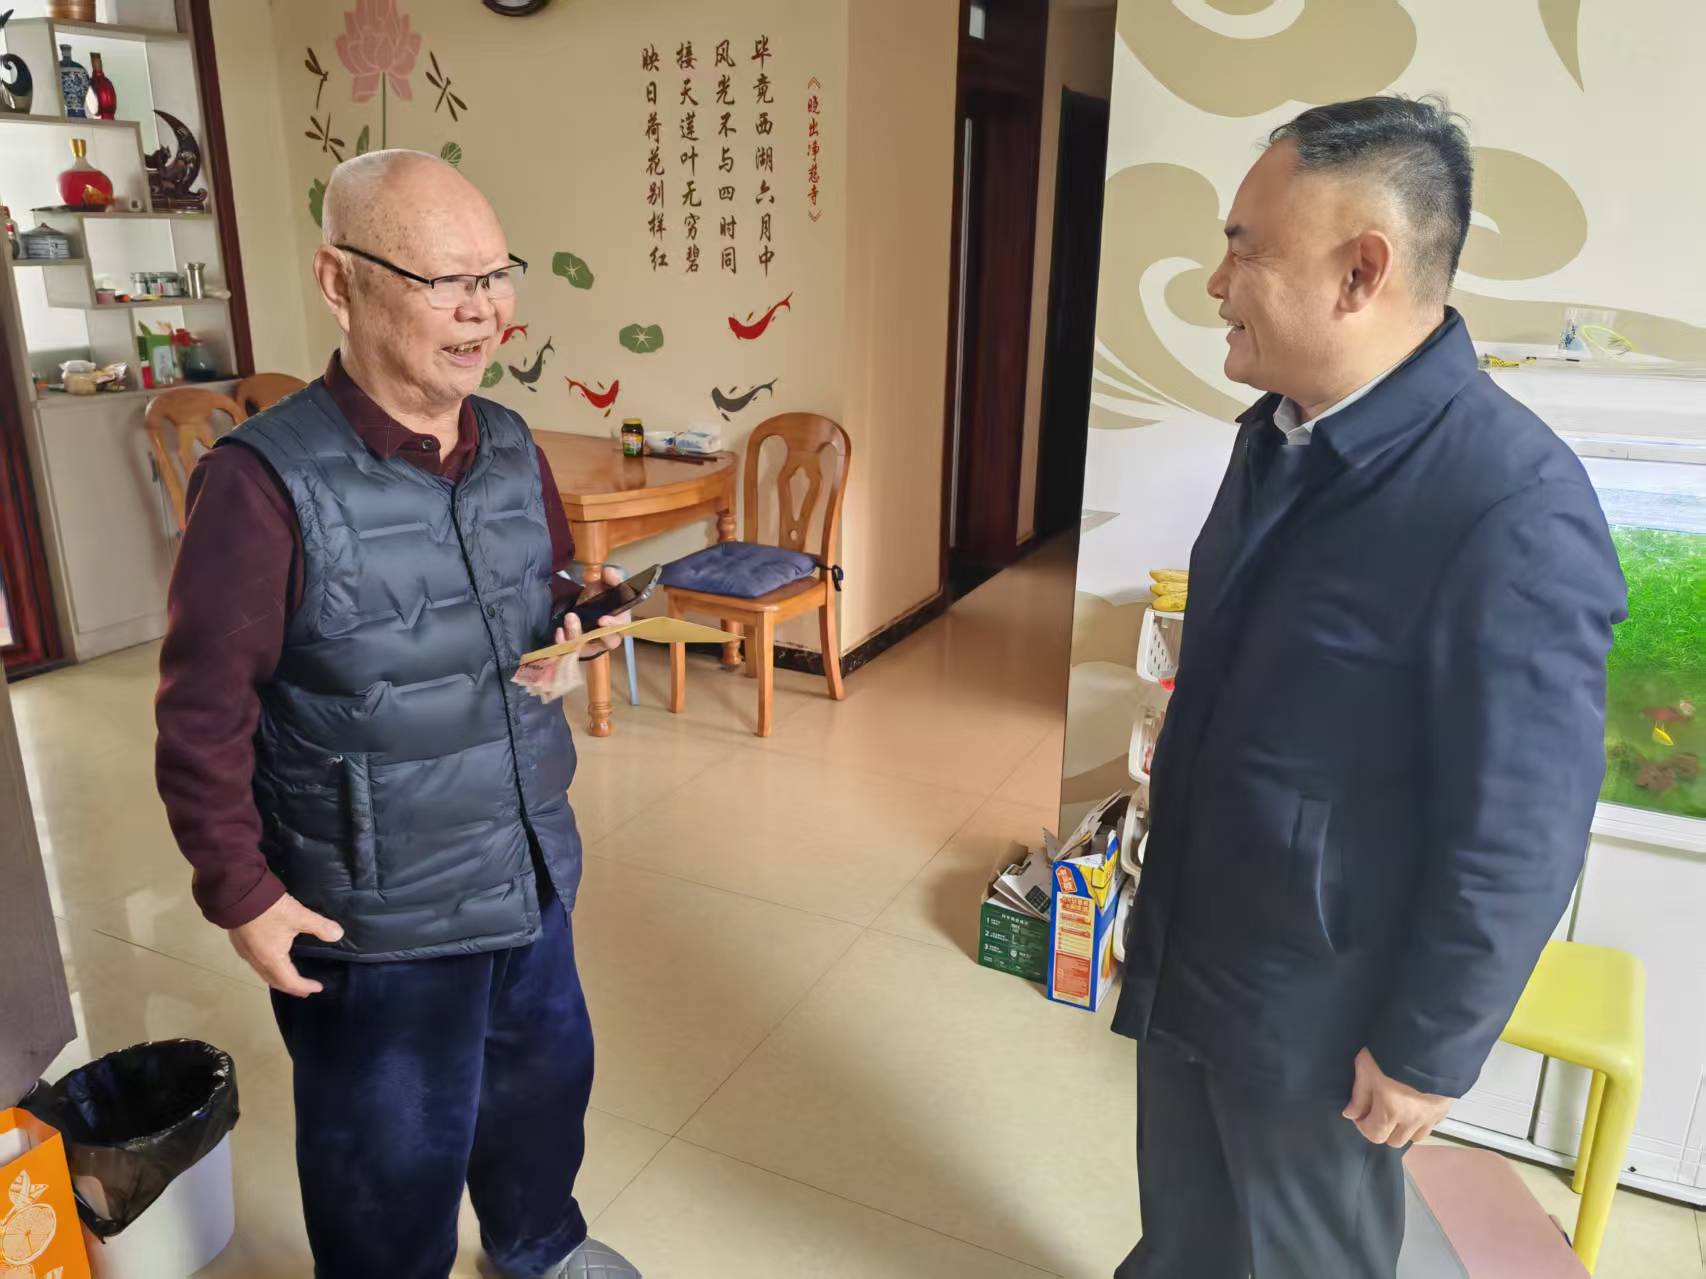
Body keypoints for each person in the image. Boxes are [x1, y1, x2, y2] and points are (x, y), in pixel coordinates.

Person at [1112, 97, 1626, 1278]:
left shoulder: (1508, 507)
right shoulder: (1277, 434)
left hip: (1319, 1007)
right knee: (1185, 1224)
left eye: (1243, 247)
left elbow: (1520, 824)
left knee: (1300, 1256)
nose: (1214, 284)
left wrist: (1426, 1049)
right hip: (1200, 938)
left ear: (1360, 272)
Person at [155, 150, 641, 1279]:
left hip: (525, 862)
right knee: (387, 1161)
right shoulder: (262, 484)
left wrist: (576, 619)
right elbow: (201, 713)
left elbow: (533, 594)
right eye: (446, 281)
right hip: (373, 912)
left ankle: (537, 1244)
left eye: (497, 276)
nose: (485, 311)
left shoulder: (510, 443)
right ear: (341, 282)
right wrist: (241, 892)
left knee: (541, 1091)